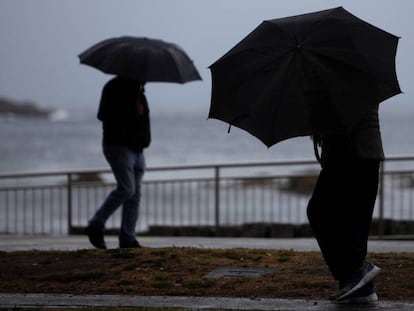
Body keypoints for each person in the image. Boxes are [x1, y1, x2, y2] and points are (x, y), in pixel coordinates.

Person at [305, 70, 383, 304]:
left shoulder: (345, 75)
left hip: (352, 152)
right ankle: (360, 287)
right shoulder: (355, 69)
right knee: (348, 221)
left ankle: (356, 275)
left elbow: (343, 114)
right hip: (361, 153)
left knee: (320, 212)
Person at [86, 76, 151, 249]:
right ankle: (96, 224)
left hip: (138, 149)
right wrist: (131, 111)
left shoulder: (139, 90)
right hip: (118, 146)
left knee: (134, 194)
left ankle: (127, 238)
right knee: (127, 189)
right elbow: (103, 115)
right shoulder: (114, 86)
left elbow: (143, 119)